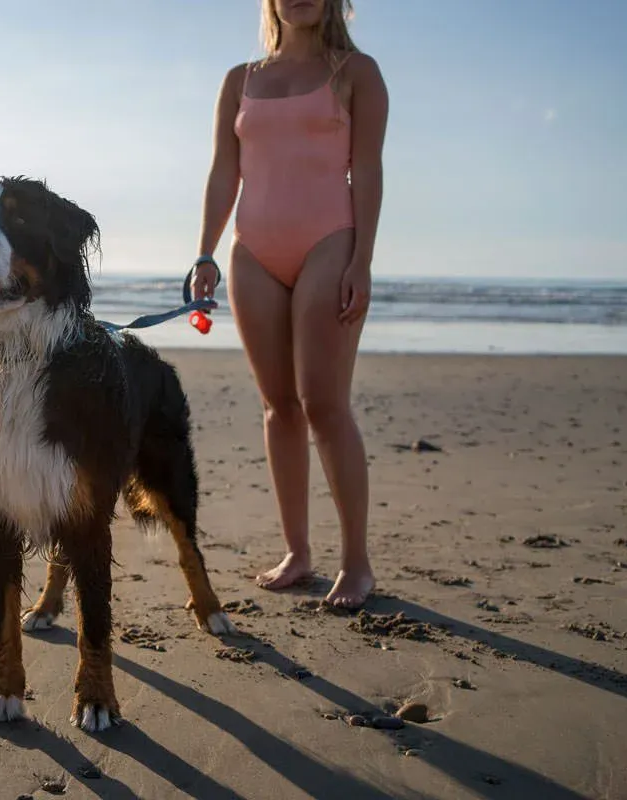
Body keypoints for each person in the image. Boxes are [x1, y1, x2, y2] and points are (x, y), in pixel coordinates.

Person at [189, 0, 388, 609]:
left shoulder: (356, 73)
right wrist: (205, 253)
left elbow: (369, 170)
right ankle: (298, 552)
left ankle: (356, 563)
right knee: (278, 406)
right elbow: (226, 172)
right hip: (254, 253)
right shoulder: (239, 80)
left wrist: (362, 261)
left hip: (330, 243)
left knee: (323, 404)